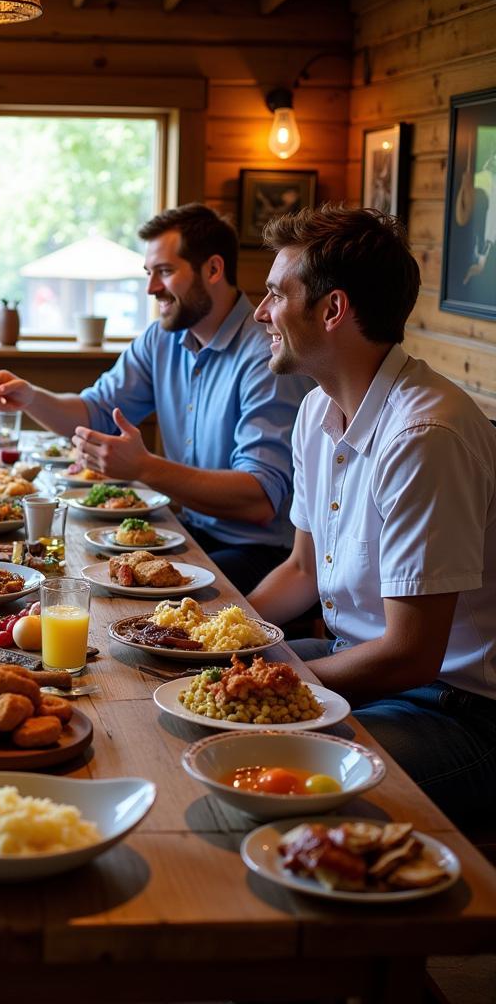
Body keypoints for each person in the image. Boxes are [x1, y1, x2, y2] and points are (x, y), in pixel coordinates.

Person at [246, 205, 496, 827]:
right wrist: (215, 639)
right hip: (355, 661)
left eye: (277, 294)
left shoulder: (424, 433)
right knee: (177, 702)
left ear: (332, 311)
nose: (261, 312)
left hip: (456, 712)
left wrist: (264, 686)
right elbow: (301, 571)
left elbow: (411, 654)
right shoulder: (315, 411)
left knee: (265, 780)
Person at [0, 204, 313, 593]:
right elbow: (95, 413)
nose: (151, 288)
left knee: (117, 596)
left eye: (165, 272)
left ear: (213, 270)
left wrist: (143, 467)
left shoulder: (266, 357)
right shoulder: (161, 339)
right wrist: (30, 397)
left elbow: (258, 500)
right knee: (78, 574)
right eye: (149, 273)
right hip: (184, 529)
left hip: (258, 554)